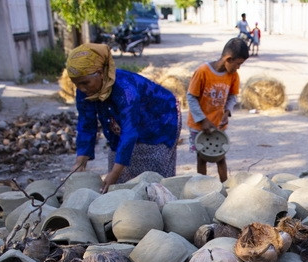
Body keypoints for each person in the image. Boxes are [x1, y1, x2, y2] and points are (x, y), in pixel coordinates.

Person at [66, 43, 180, 193]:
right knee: (119, 182)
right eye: (76, 84)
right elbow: (86, 124)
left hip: (159, 121)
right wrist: (80, 161)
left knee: (153, 179)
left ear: (100, 72)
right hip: (121, 125)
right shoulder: (85, 91)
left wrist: (114, 174)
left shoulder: (125, 89)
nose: (81, 88)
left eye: (85, 83)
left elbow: (129, 132)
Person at [186, 37, 249, 183]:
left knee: (220, 156)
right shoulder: (203, 72)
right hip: (199, 124)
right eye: (238, 64)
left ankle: (224, 188)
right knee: (202, 156)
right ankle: (202, 187)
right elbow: (191, 97)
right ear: (228, 58)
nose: (238, 68)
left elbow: (233, 96)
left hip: (218, 124)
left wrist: (226, 112)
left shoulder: (233, 75)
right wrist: (202, 120)